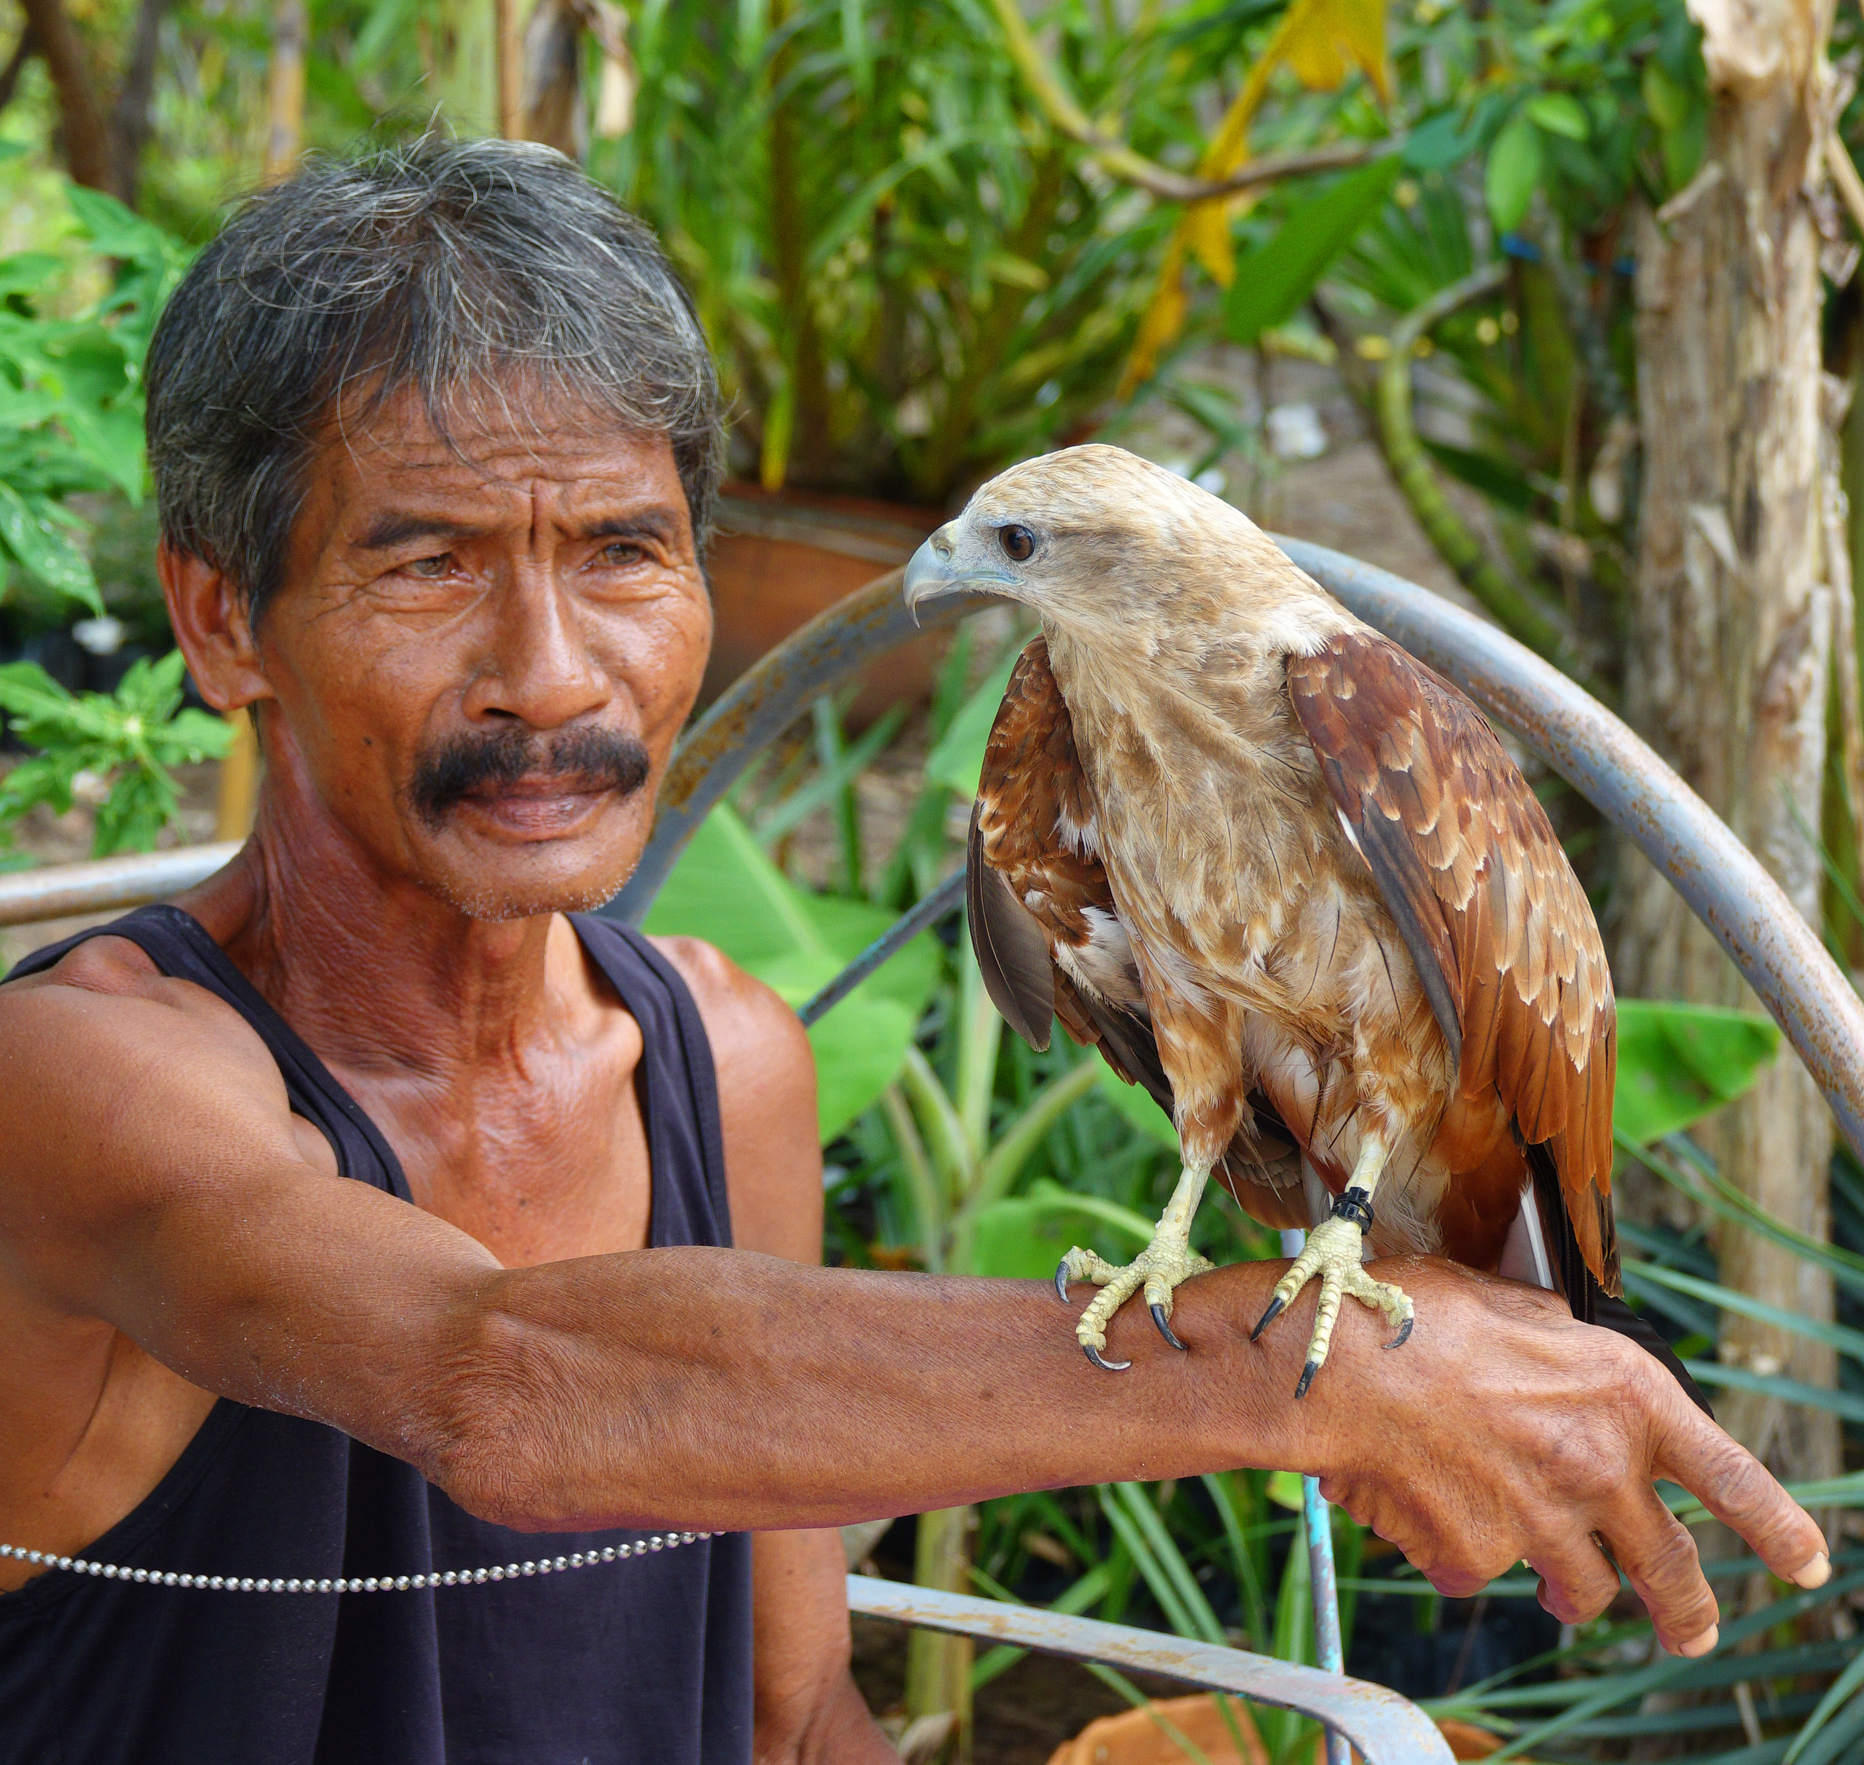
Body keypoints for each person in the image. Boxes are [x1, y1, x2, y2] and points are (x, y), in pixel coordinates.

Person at [0, 137, 1828, 1765]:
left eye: (627, 551)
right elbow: (506, 1384)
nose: (552, 674)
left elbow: (789, 1710)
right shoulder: (79, 1080)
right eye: (427, 566)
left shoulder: (727, 1057)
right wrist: (1305, 1372)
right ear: (222, 618)